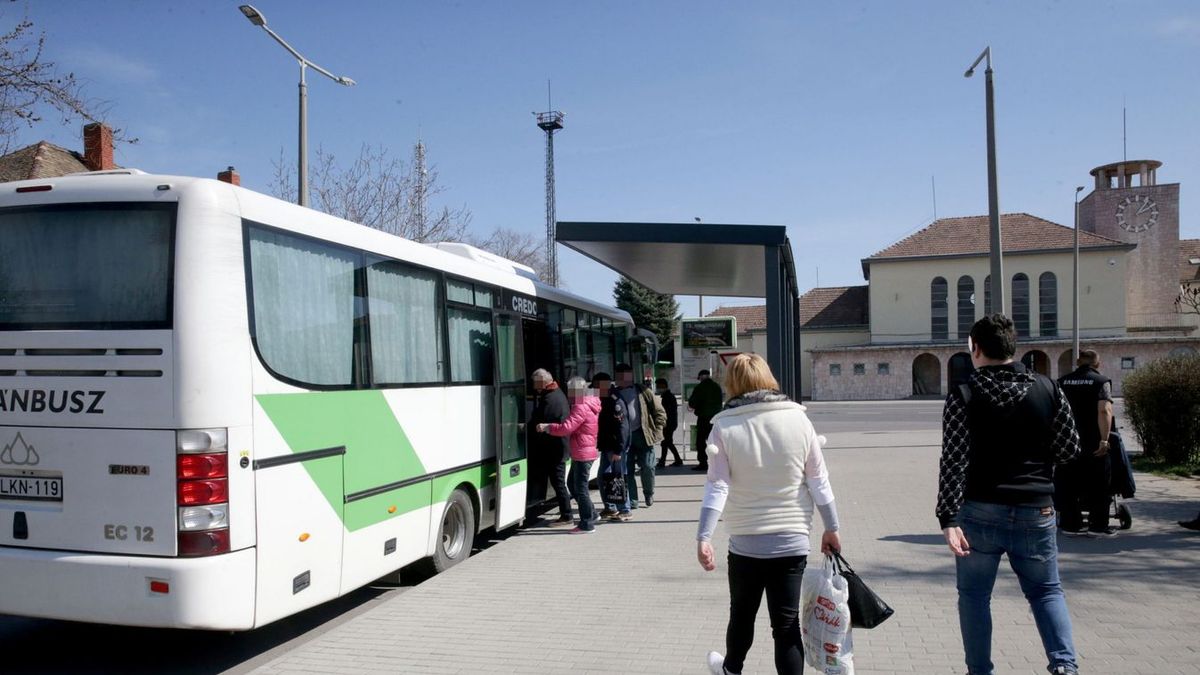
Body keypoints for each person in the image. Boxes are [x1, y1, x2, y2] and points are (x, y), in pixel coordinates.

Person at [937, 314, 1082, 675]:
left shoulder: (965, 393)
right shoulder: (1048, 388)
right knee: (1046, 591)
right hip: (1036, 510)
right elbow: (1069, 449)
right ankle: (1065, 666)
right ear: (1012, 347)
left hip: (979, 511)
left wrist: (948, 517)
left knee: (974, 596)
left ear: (976, 349)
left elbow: (953, 458)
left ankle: (980, 670)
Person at [696, 353, 841, 675]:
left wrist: (704, 536)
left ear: (732, 382)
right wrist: (832, 527)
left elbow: (717, 486)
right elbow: (818, 480)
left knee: (742, 614)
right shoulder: (799, 420)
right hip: (792, 540)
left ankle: (731, 669)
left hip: (746, 541)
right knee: (786, 625)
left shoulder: (724, 425)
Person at [1056, 350, 1117, 537]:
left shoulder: (1061, 382)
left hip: (1068, 442)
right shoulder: (1101, 382)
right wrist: (1104, 439)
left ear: (1077, 362)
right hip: (1093, 442)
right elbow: (1104, 411)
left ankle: (1070, 524)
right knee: (1099, 484)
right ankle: (1098, 526)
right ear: (1097, 364)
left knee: (1068, 483)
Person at [537, 377, 601, 534]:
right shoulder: (589, 402)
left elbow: (567, 427)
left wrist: (547, 427)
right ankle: (592, 514)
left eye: (570, 390)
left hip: (583, 453)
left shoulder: (581, 406)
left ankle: (587, 523)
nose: (569, 394)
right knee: (573, 485)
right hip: (584, 451)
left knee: (580, 488)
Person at [615, 363, 667, 508]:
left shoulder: (642, 391)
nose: (622, 379)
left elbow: (659, 411)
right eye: (619, 376)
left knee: (648, 466)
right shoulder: (614, 393)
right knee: (627, 470)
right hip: (624, 438)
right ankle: (632, 500)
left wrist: (658, 429)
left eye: (625, 375)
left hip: (643, 435)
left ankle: (648, 493)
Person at [527, 368, 573, 527]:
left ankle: (567, 515)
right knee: (558, 482)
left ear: (543, 382)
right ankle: (567, 513)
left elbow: (541, 421)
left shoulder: (551, 399)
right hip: (557, 448)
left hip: (555, 449)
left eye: (536, 383)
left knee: (559, 483)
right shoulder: (556, 393)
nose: (534, 387)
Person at [593, 372, 632, 522]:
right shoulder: (605, 398)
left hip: (615, 447)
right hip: (608, 445)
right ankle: (611, 507)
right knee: (605, 477)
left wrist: (619, 449)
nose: (594, 389)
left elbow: (623, 427)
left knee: (617, 478)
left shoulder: (615, 401)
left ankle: (624, 509)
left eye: (596, 386)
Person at [688, 369, 724, 472]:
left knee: (701, 442)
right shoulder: (717, 387)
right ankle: (719, 462)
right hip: (716, 418)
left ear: (700, 377)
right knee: (716, 441)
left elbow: (692, 403)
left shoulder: (700, 387)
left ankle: (703, 463)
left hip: (704, 418)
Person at [655, 377, 683, 468]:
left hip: (668, 424)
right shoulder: (668, 396)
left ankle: (663, 462)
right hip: (671, 423)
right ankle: (677, 459)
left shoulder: (667, 397)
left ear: (663, 386)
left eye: (658, 386)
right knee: (667, 442)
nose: (657, 388)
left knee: (665, 442)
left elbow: (667, 412)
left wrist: (663, 423)